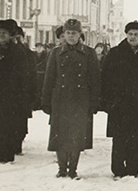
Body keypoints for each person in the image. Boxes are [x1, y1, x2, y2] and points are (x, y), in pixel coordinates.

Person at [41, 19, 101, 179]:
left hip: (81, 100)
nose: (71, 36)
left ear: (80, 34)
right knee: (60, 136)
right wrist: (45, 101)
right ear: (64, 34)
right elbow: (49, 78)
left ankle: (73, 169)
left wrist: (94, 102)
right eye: (68, 33)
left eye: (74, 33)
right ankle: (62, 169)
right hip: (60, 100)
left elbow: (95, 79)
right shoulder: (55, 52)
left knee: (77, 136)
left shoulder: (89, 53)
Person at [101, 21, 138, 179]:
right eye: (130, 34)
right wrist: (108, 101)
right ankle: (118, 169)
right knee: (119, 138)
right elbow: (105, 78)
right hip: (119, 104)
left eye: (136, 34)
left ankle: (133, 169)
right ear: (126, 35)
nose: (133, 37)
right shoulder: (115, 53)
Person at [0, 19, 29, 163]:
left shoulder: (17, 52)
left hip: (11, 96)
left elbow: (24, 75)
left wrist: (21, 96)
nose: (1, 35)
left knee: (9, 126)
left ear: (10, 35)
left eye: (4, 33)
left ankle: (8, 155)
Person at [13, 26, 38, 155]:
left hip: (22, 93)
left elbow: (32, 74)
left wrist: (32, 94)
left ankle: (17, 143)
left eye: (19, 37)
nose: (16, 40)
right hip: (12, 93)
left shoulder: (28, 54)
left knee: (20, 121)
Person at [34, 43, 48, 110]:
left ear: (43, 48)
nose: (39, 49)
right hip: (36, 75)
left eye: (40, 47)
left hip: (43, 75)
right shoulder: (33, 55)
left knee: (42, 89)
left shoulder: (45, 56)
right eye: (37, 47)